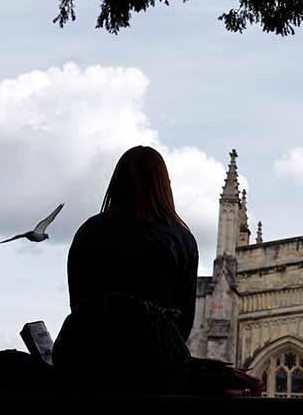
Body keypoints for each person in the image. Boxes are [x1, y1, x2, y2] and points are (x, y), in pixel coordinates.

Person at [53, 146, 199, 396]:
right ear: (164, 185)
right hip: (156, 365)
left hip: (86, 358)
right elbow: (184, 322)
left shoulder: (89, 231)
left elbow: (77, 302)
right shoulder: (181, 239)